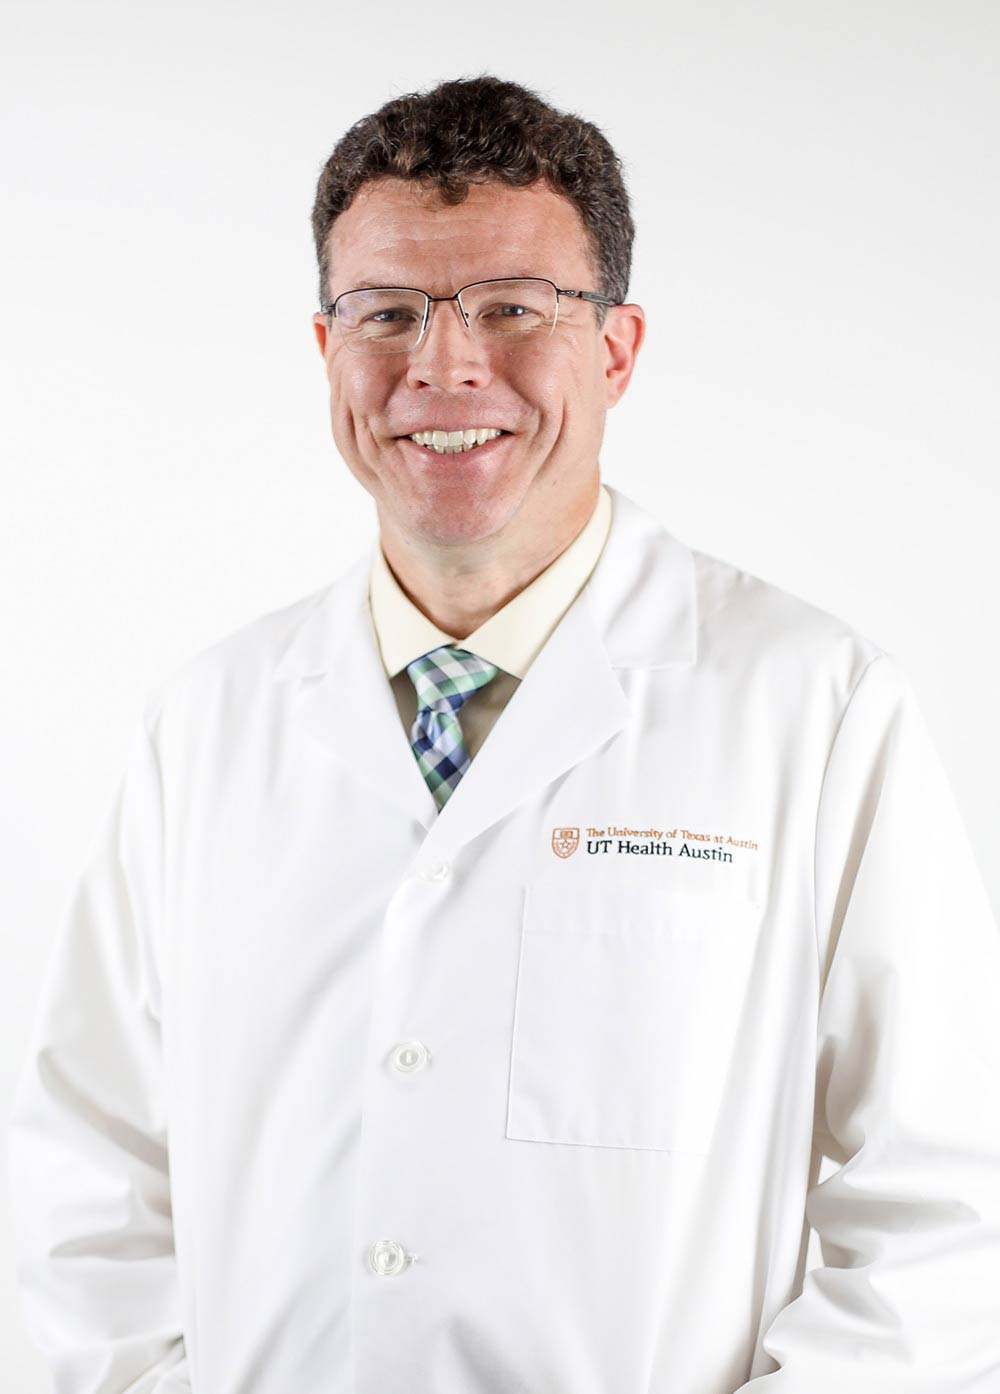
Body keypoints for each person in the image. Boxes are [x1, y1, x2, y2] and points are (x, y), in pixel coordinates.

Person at [8, 73, 1000, 1394]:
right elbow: (87, 1174)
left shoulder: (812, 708)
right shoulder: (208, 727)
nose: (444, 366)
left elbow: (947, 1198)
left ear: (617, 348)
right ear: (326, 351)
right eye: (390, 312)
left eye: (511, 309)